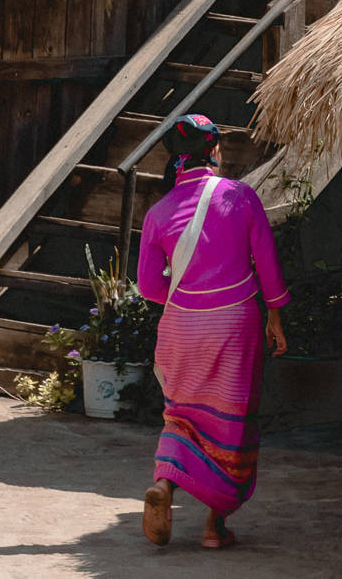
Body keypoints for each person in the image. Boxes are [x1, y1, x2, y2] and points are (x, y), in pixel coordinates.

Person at [136, 113, 290, 550]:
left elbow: (149, 286)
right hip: (234, 326)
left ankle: (164, 487)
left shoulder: (158, 212)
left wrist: (190, 302)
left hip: (182, 328)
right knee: (230, 423)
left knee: (182, 415)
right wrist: (276, 316)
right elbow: (268, 265)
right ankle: (212, 527)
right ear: (215, 149)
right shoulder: (240, 197)